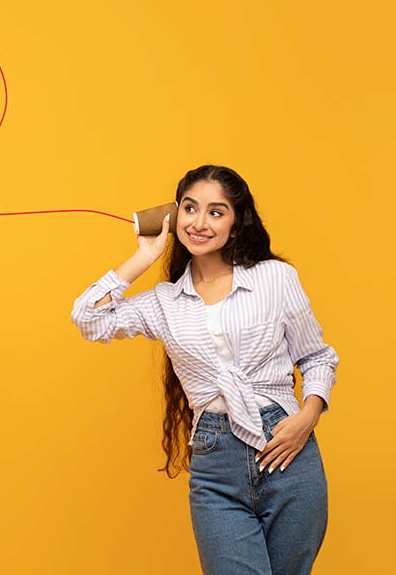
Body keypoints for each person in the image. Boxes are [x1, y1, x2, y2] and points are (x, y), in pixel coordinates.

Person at [71, 165, 337, 574]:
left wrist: (309, 414)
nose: (199, 222)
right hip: (217, 465)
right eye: (190, 209)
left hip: (288, 451)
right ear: (175, 217)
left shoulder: (276, 278)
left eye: (216, 212)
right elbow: (88, 318)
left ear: (235, 224)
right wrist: (144, 255)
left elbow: (316, 357)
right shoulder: (163, 302)